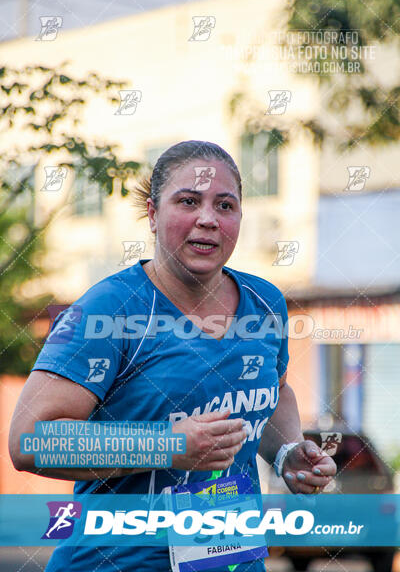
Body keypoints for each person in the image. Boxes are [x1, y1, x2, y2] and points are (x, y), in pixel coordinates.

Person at [9, 140, 336, 572]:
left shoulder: (265, 302)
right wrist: (166, 445)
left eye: (225, 205)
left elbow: (272, 392)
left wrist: (287, 452)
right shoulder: (109, 308)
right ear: (152, 213)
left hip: (229, 559)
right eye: (188, 201)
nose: (208, 219)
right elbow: (28, 441)